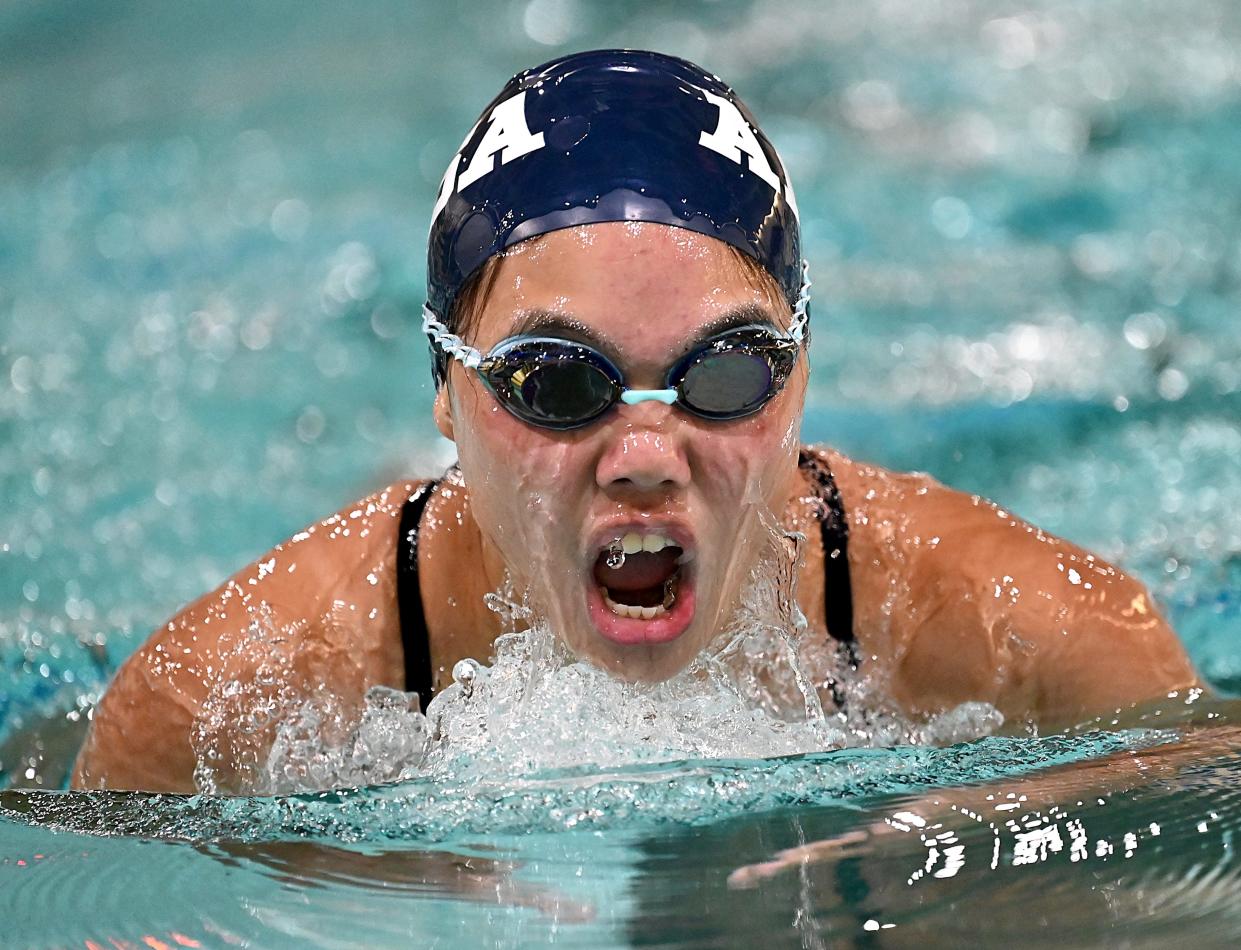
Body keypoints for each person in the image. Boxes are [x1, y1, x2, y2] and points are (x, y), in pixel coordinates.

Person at [71, 49, 1201, 794]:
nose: (646, 457)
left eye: (721, 373)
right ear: (443, 393)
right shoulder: (206, 713)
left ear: (800, 377)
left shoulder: (1046, 652)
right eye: (558, 382)